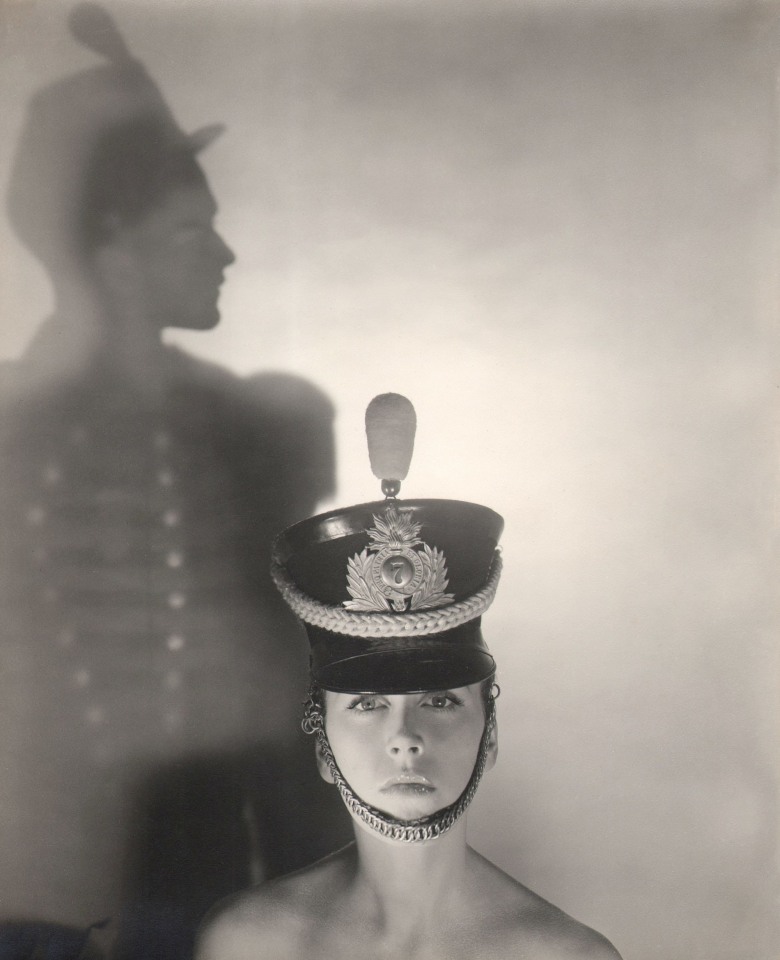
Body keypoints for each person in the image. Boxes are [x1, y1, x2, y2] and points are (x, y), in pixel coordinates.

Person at [0, 4, 347, 958]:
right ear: (113, 244)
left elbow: (292, 678)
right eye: (194, 228)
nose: (225, 254)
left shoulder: (260, 424)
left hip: (210, 889)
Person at [196, 394, 622, 960]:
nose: (405, 738)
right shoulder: (249, 944)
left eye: (441, 701)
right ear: (323, 747)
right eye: (367, 704)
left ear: (490, 736)